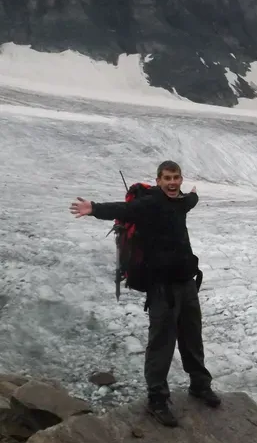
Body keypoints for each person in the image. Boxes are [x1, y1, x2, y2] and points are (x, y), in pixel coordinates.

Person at [69, 160, 221, 427]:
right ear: (158, 181)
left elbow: (190, 201)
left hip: (186, 284)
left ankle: (199, 385)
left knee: (192, 337)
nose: (172, 182)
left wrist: (195, 194)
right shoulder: (150, 204)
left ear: (181, 179)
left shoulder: (182, 201)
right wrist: (93, 209)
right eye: (167, 178)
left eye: (176, 178)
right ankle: (157, 400)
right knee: (161, 344)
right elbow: (124, 209)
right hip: (162, 288)